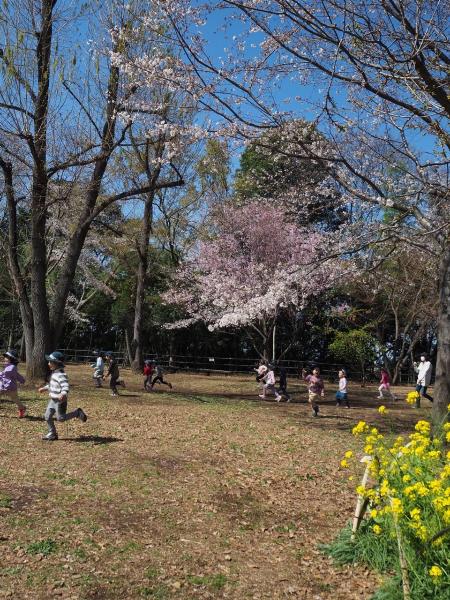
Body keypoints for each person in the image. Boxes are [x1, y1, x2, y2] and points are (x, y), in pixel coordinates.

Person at [39, 351, 87, 441]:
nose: (48, 364)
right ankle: (52, 433)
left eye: (50, 362)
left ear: (57, 363)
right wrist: (45, 388)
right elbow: (52, 384)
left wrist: (63, 393)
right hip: (53, 400)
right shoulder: (54, 373)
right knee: (47, 416)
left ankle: (77, 413)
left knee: (61, 418)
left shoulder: (61, 375)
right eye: (48, 361)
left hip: (60, 401)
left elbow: (65, 386)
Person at [0, 349, 26, 418]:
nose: (4, 358)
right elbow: (17, 375)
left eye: (7, 357)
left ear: (11, 359)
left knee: (15, 399)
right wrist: (22, 379)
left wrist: (22, 380)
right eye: (5, 357)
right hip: (2, 386)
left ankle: (22, 408)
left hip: (11, 388)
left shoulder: (12, 367)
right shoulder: (7, 366)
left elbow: (5, 374)